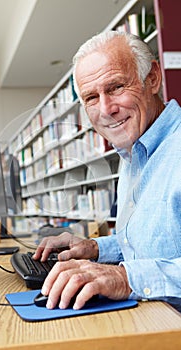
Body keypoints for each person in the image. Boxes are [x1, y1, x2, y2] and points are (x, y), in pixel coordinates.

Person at [33, 30, 181, 312]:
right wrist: (95, 249)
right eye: (91, 97)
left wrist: (125, 278)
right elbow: (158, 242)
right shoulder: (132, 153)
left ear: (152, 78)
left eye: (115, 88)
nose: (106, 109)